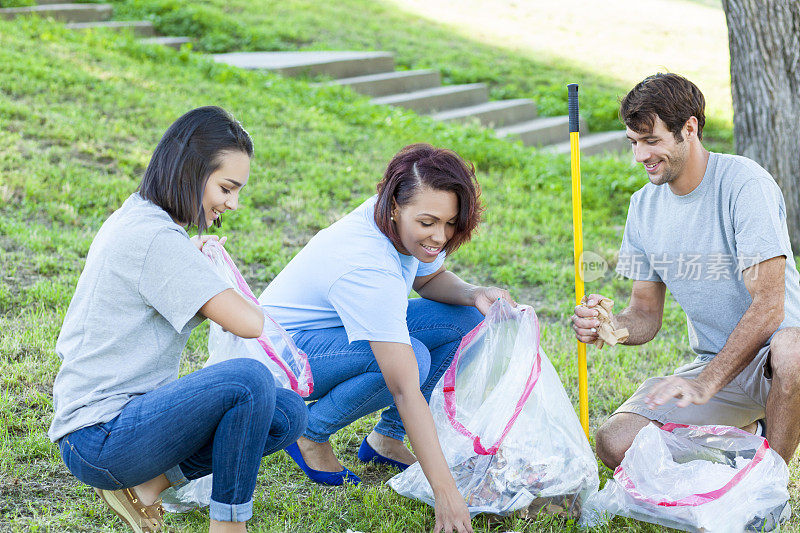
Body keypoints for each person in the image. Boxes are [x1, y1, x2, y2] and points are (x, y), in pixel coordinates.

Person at [49, 106, 307, 533]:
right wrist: (205, 270)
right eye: (227, 187)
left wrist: (195, 262)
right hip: (99, 436)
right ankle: (228, 526)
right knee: (249, 380)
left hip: (118, 427)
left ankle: (147, 488)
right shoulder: (154, 237)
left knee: (286, 412)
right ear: (191, 169)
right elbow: (250, 323)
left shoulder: (143, 219)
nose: (233, 203)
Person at [260, 143, 514, 533]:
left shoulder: (397, 218)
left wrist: (474, 294)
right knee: (412, 360)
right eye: (428, 223)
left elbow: (426, 279)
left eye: (449, 223)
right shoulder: (366, 263)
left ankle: (387, 440)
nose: (440, 236)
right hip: (281, 354)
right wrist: (447, 494)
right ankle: (309, 431)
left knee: (467, 318)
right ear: (394, 206)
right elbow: (404, 388)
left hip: (335, 331)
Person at [571, 73, 800, 470]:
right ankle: (741, 444)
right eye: (634, 142)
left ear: (689, 128)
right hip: (718, 365)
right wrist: (611, 327)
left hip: (777, 362)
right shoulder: (643, 207)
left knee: (793, 352)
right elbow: (644, 314)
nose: (640, 155)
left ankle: (769, 480)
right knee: (614, 442)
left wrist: (705, 382)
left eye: (652, 140)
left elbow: (769, 309)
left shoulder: (746, 184)